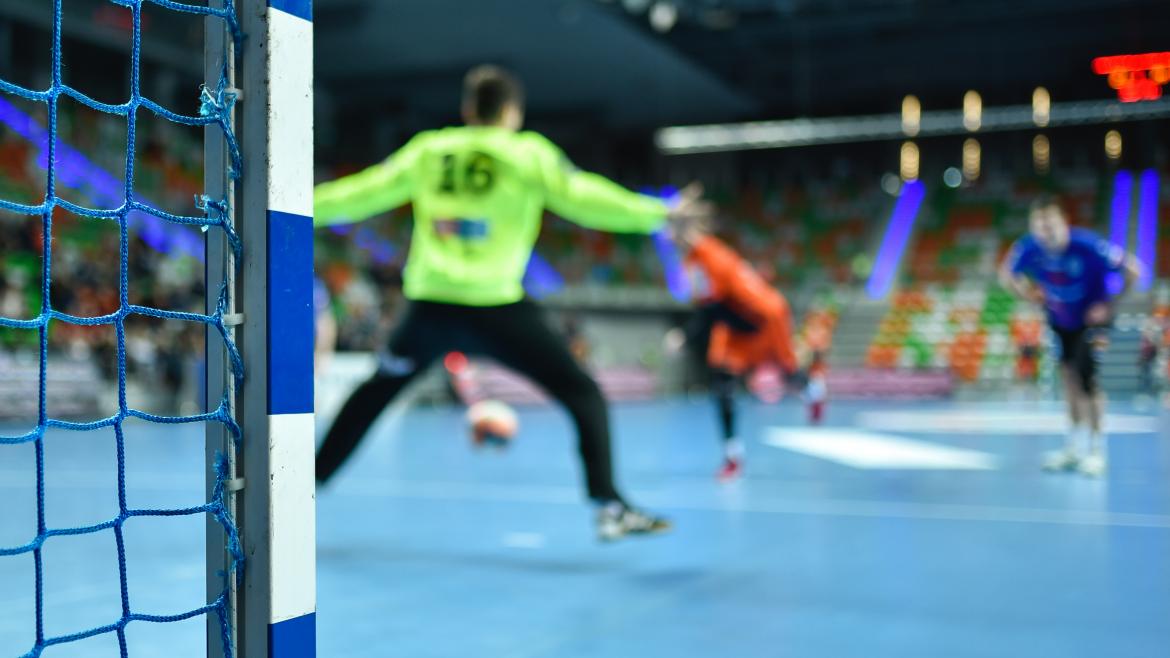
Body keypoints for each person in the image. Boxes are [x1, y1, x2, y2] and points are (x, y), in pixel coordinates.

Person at [312, 65, 710, 541]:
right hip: (497, 308)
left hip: (430, 310)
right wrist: (658, 213)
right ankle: (609, 506)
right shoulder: (528, 154)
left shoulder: (431, 150)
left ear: (467, 110)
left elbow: (362, 193)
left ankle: (304, 488)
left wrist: (291, 204)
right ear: (512, 112)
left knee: (373, 395)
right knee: (581, 393)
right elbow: (585, 197)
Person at [999, 195, 1142, 477]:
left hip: (1092, 321)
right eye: (1038, 225)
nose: (1045, 231)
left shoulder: (1088, 245)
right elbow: (1006, 275)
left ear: (1064, 222)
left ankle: (1097, 451)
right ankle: (1073, 448)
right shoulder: (1029, 248)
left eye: (1050, 223)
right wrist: (1030, 296)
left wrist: (1109, 305)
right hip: (1060, 320)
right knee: (1069, 381)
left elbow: (1134, 270)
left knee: (1089, 382)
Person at [667, 221, 800, 481]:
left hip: (764, 321)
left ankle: (813, 389)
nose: (667, 236)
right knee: (722, 388)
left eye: (671, 228)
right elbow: (716, 309)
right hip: (733, 328)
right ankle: (732, 456)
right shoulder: (692, 261)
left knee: (790, 374)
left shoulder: (712, 258)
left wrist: (684, 337)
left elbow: (710, 310)